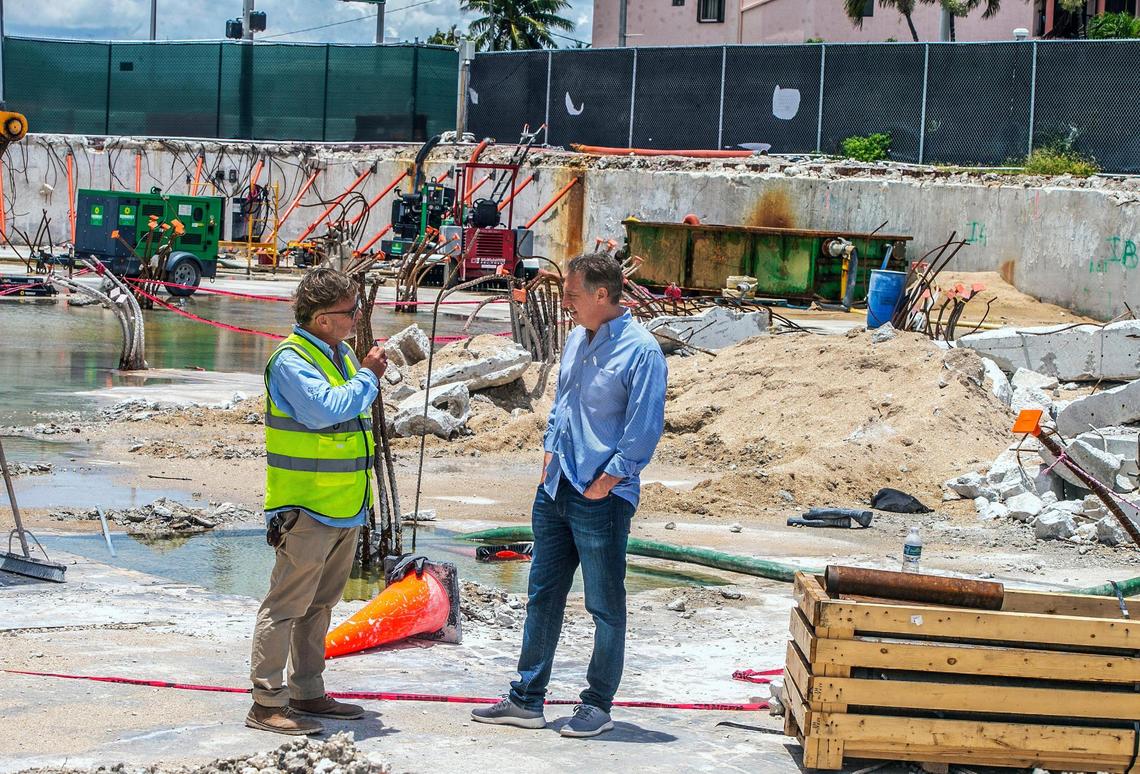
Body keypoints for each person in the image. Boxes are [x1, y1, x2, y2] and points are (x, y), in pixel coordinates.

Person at [471, 252, 667, 738]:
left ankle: (597, 705)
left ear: (603, 294)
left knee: (604, 604)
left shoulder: (642, 352)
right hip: (556, 487)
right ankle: (526, 700)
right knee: (542, 595)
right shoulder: (578, 339)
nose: (565, 303)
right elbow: (562, 405)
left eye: (573, 295)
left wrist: (608, 482)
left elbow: (644, 428)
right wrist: (547, 458)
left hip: (602, 495)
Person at [247, 267, 388, 736]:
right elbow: (325, 409)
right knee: (286, 605)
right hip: (305, 508)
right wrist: (368, 377)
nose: (357, 318)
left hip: (344, 505)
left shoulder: (340, 353)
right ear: (324, 317)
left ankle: (308, 691)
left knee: (319, 606)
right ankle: (267, 702)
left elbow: (348, 407)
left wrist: (361, 374)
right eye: (351, 311)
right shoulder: (291, 361)